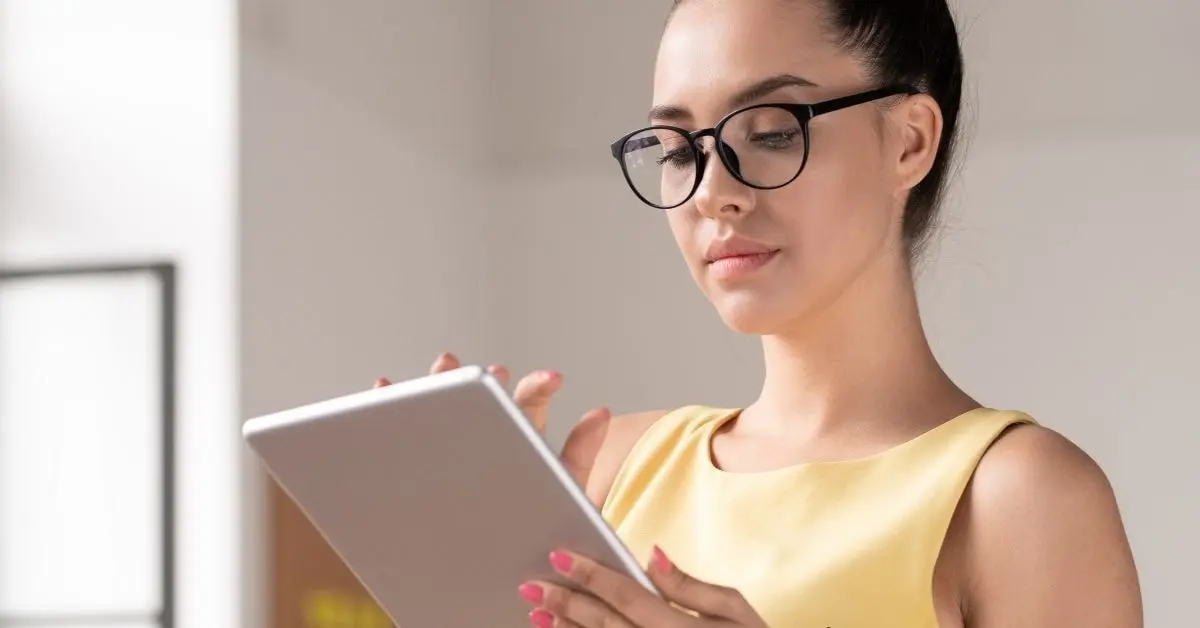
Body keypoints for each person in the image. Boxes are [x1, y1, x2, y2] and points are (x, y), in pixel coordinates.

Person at [378, 0, 1143, 625]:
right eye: (677, 149)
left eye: (771, 132)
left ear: (910, 140)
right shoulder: (615, 467)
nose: (712, 191)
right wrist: (462, 592)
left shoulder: (1017, 499)